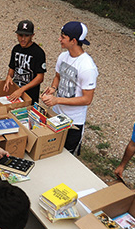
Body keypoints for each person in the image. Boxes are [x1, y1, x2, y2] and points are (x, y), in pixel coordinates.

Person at [41, 21, 98, 155]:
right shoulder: (63, 56)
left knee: (66, 156)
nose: (59, 39)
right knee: (50, 152)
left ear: (73, 41)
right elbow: (57, 77)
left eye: (63, 37)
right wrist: (53, 88)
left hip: (73, 121)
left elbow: (87, 99)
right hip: (56, 114)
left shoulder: (87, 67)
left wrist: (57, 100)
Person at [3, 20, 47, 103]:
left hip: (30, 95)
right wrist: (9, 77)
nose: (23, 39)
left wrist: (22, 89)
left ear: (32, 36)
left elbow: (40, 77)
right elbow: (12, 67)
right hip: (15, 91)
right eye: (20, 35)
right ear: (16, 35)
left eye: (26, 36)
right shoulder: (16, 49)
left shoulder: (38, 52)